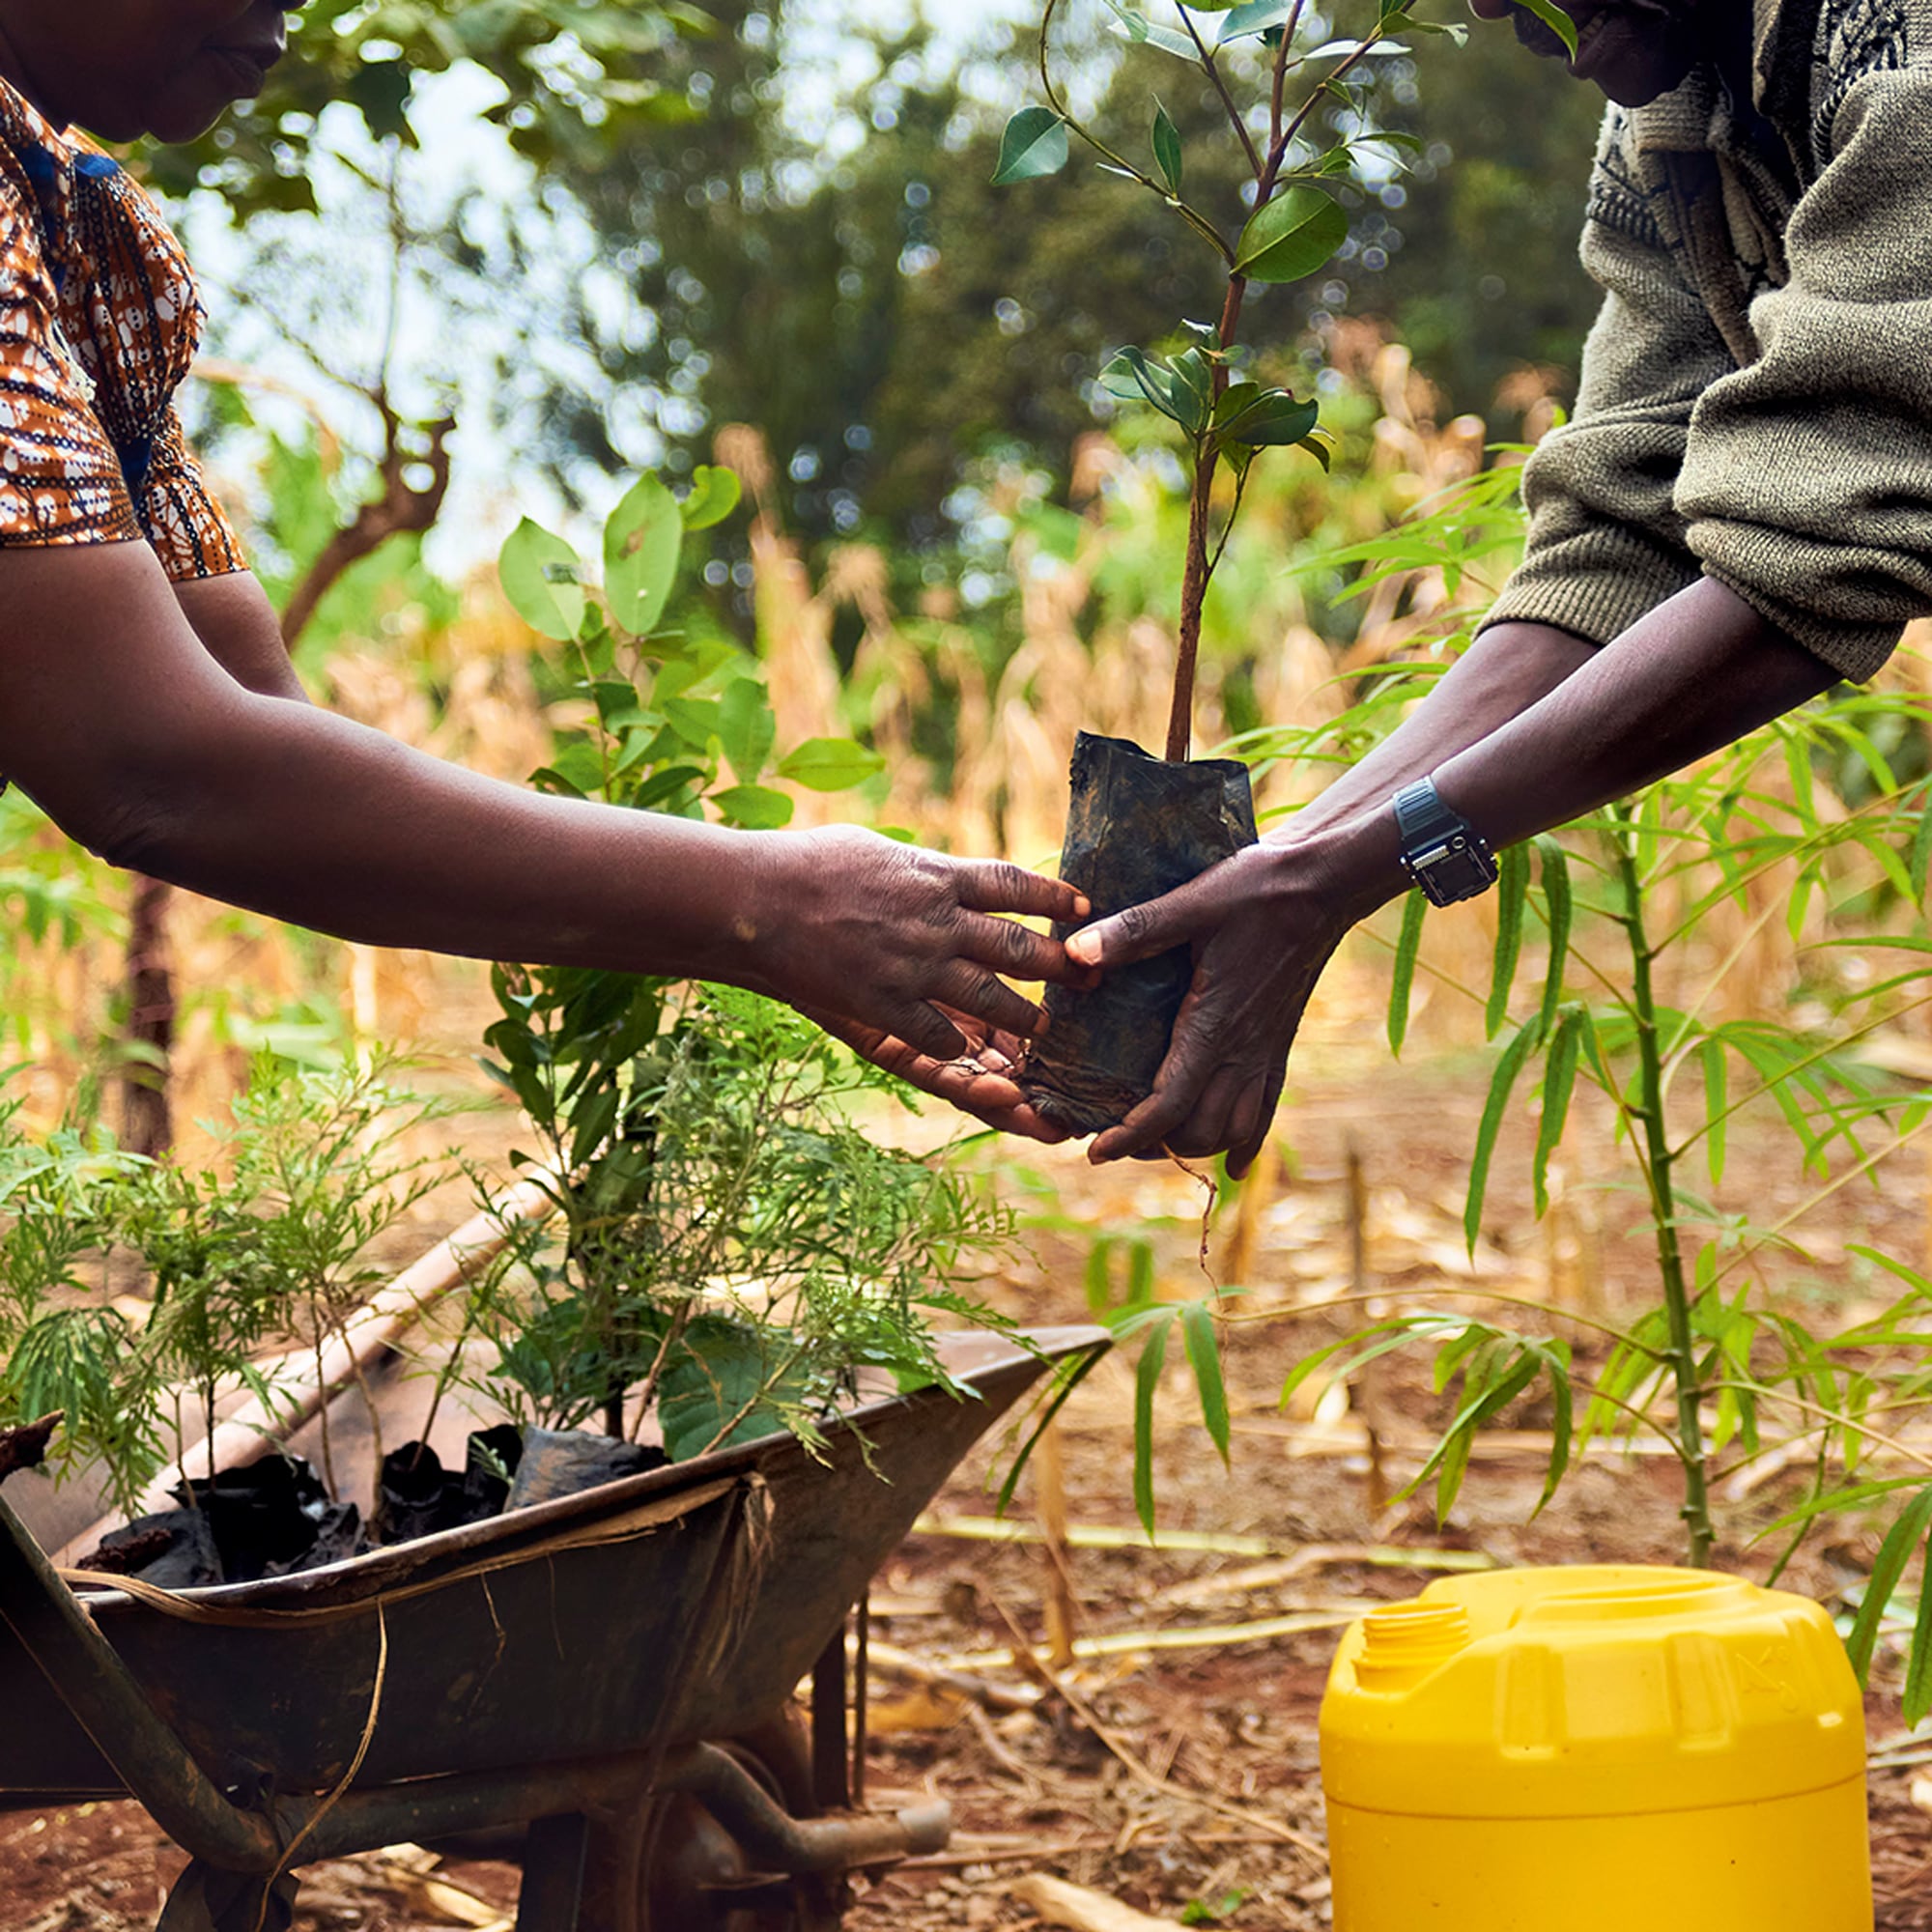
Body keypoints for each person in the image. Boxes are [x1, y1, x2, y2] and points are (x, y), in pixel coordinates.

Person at [0, 1, 1094, 1141]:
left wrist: (780, 934)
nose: (286, 15)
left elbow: (257, 740)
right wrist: (769, 905)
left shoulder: (81, 228)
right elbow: (157, 769)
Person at [1067, 0, 1932, 1174]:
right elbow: (1620, 526)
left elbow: (1830, 512)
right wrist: (1288, 862)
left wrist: (1334, 876)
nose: (1482, 4)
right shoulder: (1665, 109)